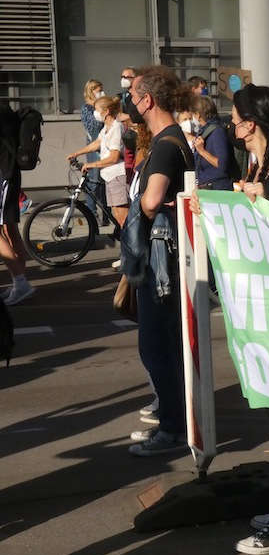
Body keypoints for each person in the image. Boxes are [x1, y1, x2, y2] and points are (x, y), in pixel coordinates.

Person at [189, 83, 269, 555]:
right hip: (267, 308)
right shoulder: (259, 166)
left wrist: (257, 202)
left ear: (256, 122)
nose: (232, 125)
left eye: (238, 117)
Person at [125, 65, 194, 457]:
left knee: (156, 346)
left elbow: (151, 200)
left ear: (148, 99)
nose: (131, 104)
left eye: (134, 96)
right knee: (167, 344)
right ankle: (175, 421)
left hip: (160, 260)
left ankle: (172, 428)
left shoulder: (167, 145)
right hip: (168, 256)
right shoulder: (173, 139)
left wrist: (145, 212)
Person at [67, 96, 130, 230]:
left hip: (117, 176)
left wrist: (91, 165)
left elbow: (114, 157)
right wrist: (77, 153)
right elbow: (96, 144)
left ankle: (131, 246)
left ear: (106, 111)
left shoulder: (116, 127)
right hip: (109, 176)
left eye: (96, 110)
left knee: (122, 216)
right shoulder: (106, 128)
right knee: (116, 214)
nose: (94, 113)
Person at [0, 104, 35, 305]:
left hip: (3, 175)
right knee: (10, 228)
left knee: (5, 230)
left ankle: (21, 284)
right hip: (10, 174)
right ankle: (19, 283)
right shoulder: (4, 109)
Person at [81, 79, 109, 223]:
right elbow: (93, 127)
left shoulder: (103, 106)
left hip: (107, 146)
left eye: (101, 89)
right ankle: (92, 213)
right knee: (94, 180)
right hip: (95, 148)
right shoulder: (87, 108)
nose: (101, 92)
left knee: (106, 181)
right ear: (91, 91)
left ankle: (107, 214)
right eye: (98, 90)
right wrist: (100, 113)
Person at [192, 96, 233, 190]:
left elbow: (221, 164)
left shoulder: (217, 132)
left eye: (193, 115)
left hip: (217, 187)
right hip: (207, 186)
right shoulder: (204, 132)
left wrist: (202, 151)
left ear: (198, 115)